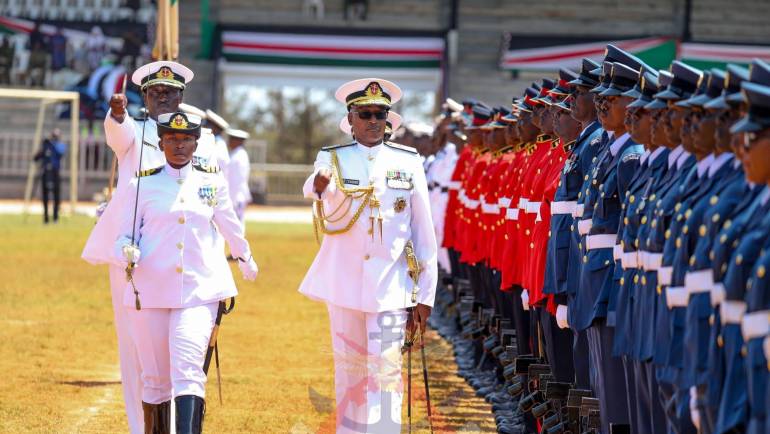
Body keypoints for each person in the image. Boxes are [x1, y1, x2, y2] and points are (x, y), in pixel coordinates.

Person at [81, 60, 225, 434]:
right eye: (155, 92)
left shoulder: (203, 139)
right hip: (135, 256)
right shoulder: (136, 131)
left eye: (170, 92)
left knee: (188, 351)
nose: (163, 98)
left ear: (182, 96)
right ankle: (141, 428)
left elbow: (212, 201)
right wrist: (116, 115)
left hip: (188, 258)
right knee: (137, 351)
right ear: (143, 96)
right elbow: (117, 135)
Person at [299, 78, 437, 433]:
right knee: (349, 370)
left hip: (391, 286)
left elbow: (423, 233)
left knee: (386, 372)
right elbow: (315, 185)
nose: (374, 120)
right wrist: (318, 186)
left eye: (380, 113)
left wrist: (425, 296)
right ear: (351, 117)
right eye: (366, 113)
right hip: (343, 285)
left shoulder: (407, 161)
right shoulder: (333, 158)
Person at [113, 111, 258, 433]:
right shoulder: (142, 184)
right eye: (172, 139)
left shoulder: (211, 181)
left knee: (189, 372)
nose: (179, 145)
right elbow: (124, 235)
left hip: (199, 290)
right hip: (149, 291)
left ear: (196, 143)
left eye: (186, 139)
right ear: (162, 142)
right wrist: (126, 249)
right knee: (154, 380)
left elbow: (229, 225)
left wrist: (245, 257)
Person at [33, 129, 67, 224]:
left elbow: (60, 152)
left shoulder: (60, 145)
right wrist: (43, 147)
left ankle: (56, 217)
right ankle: (46, 218)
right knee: (45, 196)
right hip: (45, 172)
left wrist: (51, 145)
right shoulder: (47, 146)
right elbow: (36, 158)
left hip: (55, 173)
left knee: (56, 196)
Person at [225, 128, 252, 226]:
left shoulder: (239, 156)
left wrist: (235, 197)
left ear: (239, 141)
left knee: (238, 224)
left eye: (232, 139)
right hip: (234, 194)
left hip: (237, 195)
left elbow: (239, 179)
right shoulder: (235, 154)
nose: (229, 141)